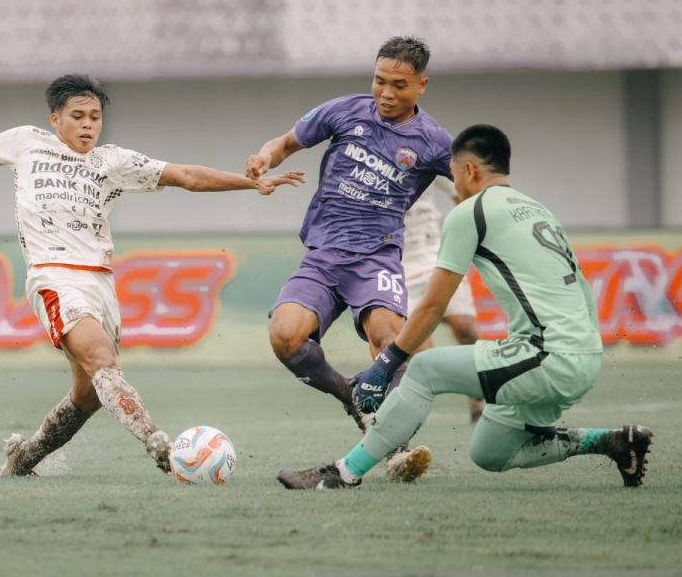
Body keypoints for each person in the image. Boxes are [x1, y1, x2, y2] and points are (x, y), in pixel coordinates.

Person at [0, 73, 304, 477]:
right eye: (78, 116)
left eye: (95, 117)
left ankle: (23, 460)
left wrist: (251, 182)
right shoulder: (26, 142)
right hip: (53, 278)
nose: (88, 125)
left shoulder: (113, 161)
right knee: (102, 359)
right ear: (55, 119)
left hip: (100, 282)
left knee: (88, 394)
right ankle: (158, 443)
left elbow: (185, 175)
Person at [277, 124, 653, 489]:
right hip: (584, 355)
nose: (453, 185)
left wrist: (386, 364)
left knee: (424, 368)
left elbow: (432, 307)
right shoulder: (539, 210)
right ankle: (614, 442)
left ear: (469, 170)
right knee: (490, 450)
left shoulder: (471, 212)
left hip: (546, 357)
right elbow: (584, 291)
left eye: (454, 175)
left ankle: (344, 472)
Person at [244, 36, 453, 483]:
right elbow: (284, 143)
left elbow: (474, 185)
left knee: (387, 337)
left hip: (376, 257)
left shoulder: (434, 141)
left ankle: (396, 448)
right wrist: (265, 158)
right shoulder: (345, 110)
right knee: (284, 336)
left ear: (422, 85)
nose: (386, 93)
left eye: (399, 85)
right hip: (322, 256)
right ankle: (352, 397)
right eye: (379, 81)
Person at [402, 180, 485, 423]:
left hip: (436, 258)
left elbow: (462, 191)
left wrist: (465, 235)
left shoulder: (428, 146)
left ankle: (478, 396)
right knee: (423, 356)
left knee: (467, 329)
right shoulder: (365, 158)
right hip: (397, 267)